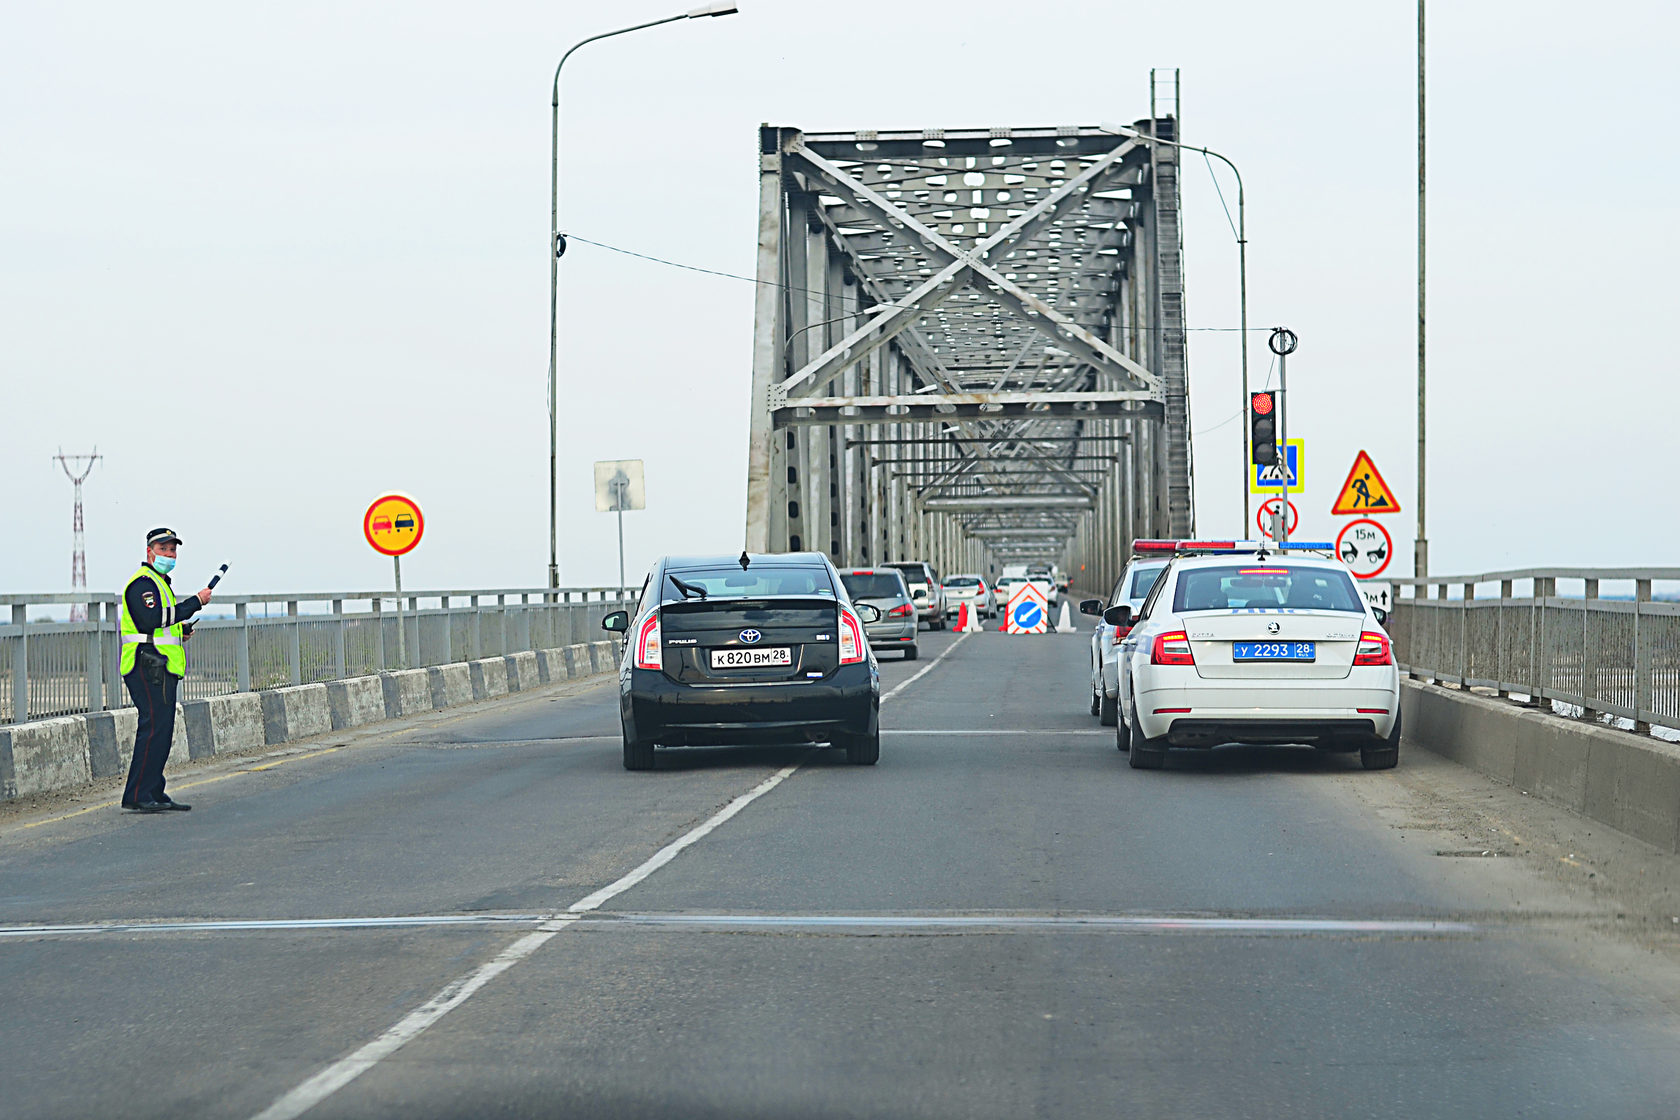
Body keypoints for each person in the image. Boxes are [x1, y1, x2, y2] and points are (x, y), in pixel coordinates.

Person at [119, 528, 213, 812]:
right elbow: (151, 619)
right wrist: (194, 603)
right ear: (150, 552)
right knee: (153, 727)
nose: (169, 555)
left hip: (159, 663)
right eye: (164, 550)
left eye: (173, 550)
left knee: (162, 728)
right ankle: (138, 794)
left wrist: (180, 629)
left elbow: (163, 623)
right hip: (145, 663)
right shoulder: (143, 584)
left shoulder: (160, 584)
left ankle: (153, 790)